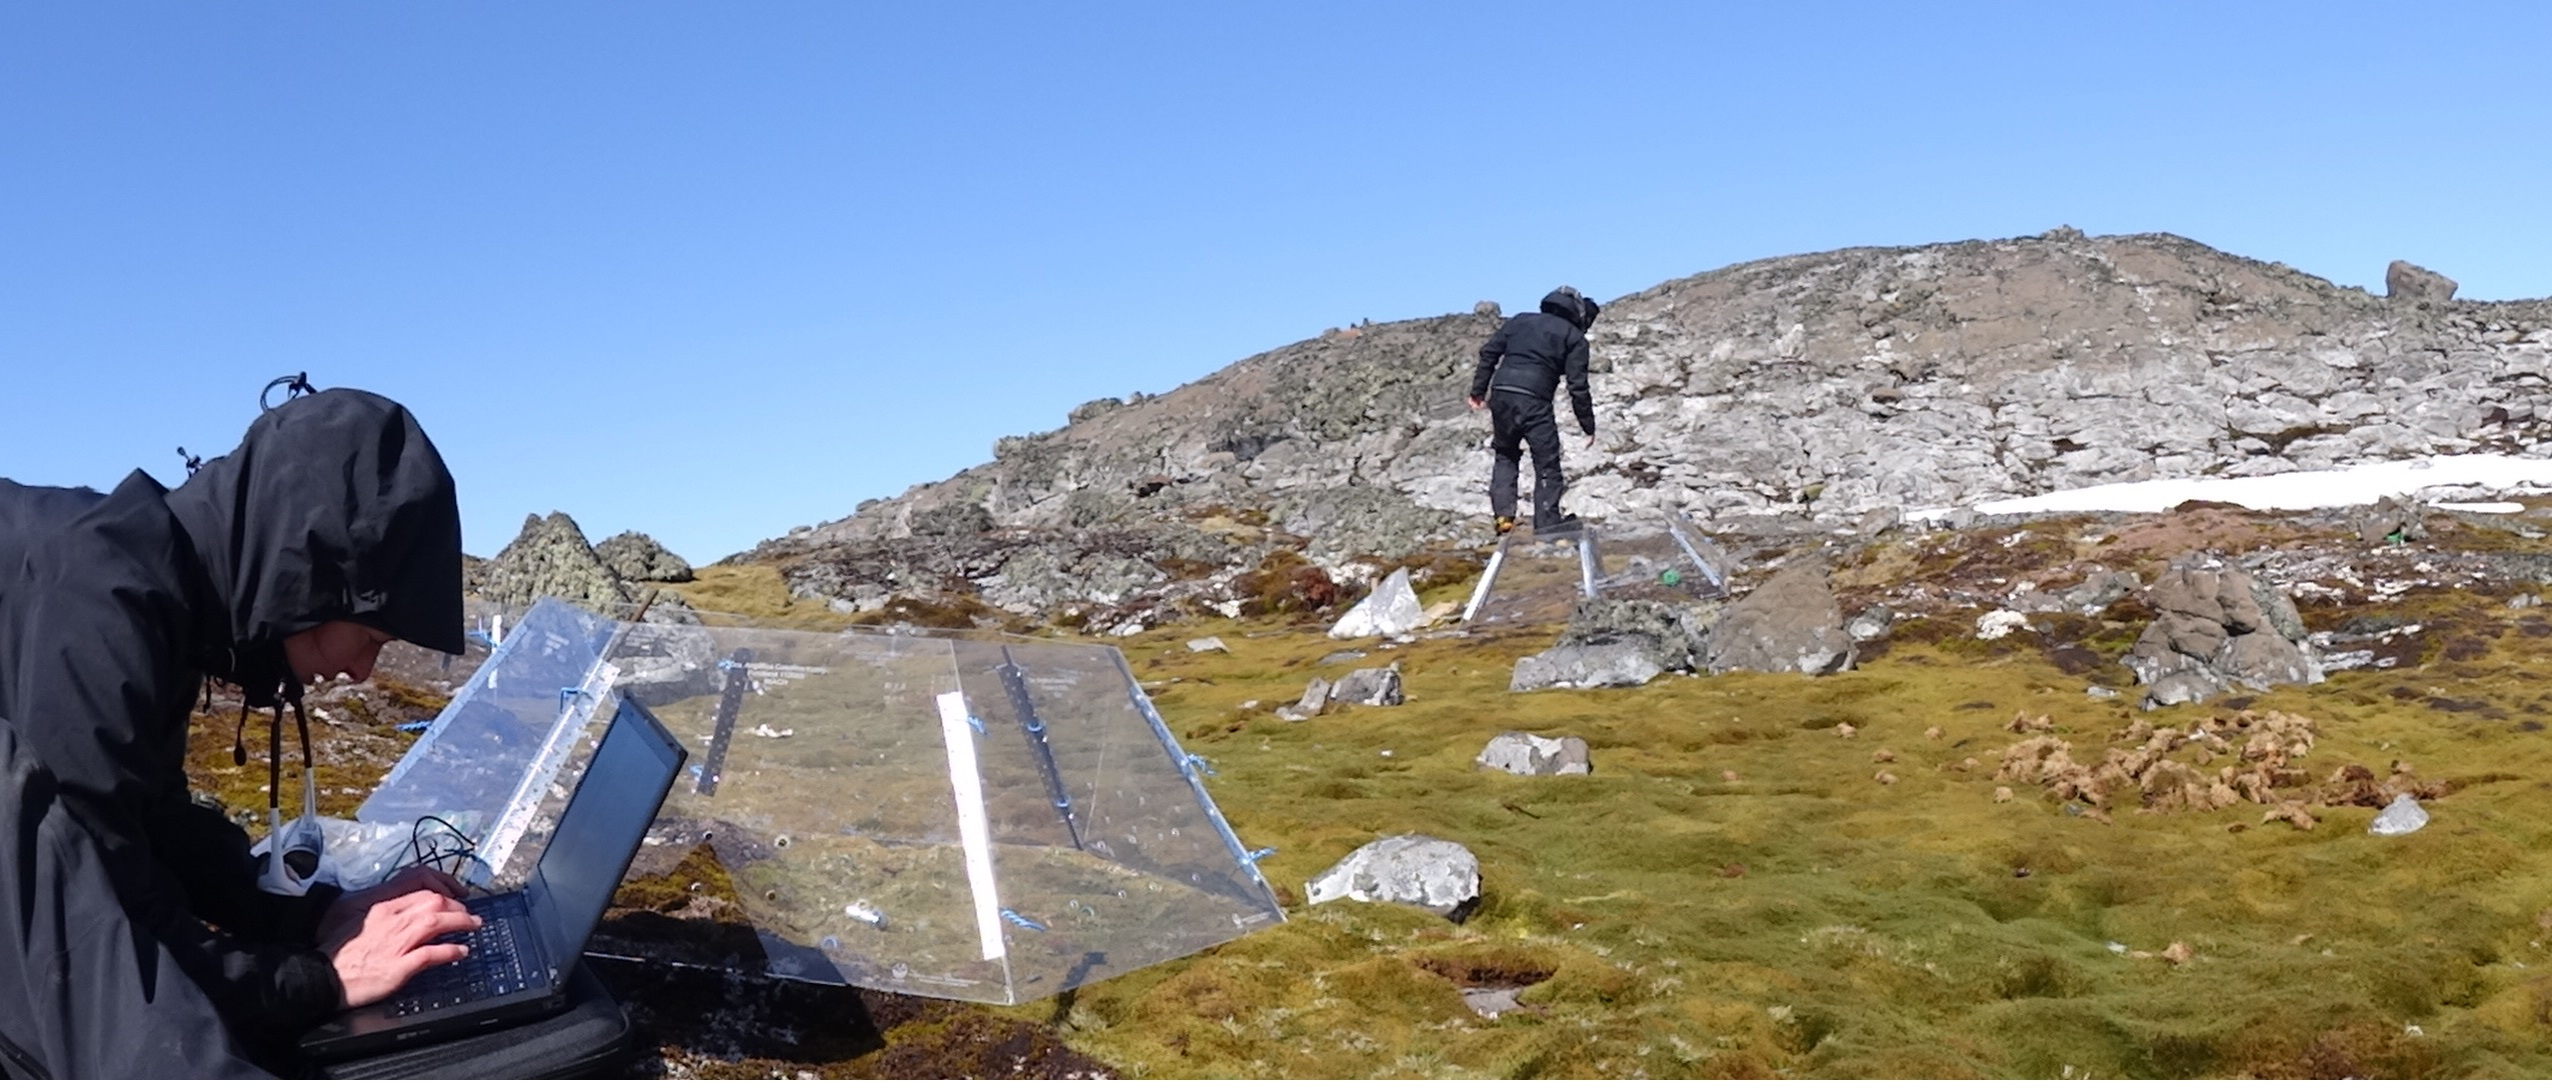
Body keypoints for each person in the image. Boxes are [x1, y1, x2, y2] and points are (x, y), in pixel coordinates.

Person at [0, 387, 484, 1076]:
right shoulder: (97, 607)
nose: (363, 673)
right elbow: (100, 934)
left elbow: (152, 824)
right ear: (311, 573)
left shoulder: (148, 587)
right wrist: (324, 980)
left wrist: (315, 919)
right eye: (370, 636)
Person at [1468, 285, 1601, 536]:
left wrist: (1478, 391)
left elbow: (1489, 354)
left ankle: (1504, 518)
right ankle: (1548, 522)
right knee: (1547, 462)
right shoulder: (1574, 338)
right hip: (1535, 399)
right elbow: (1578, 386)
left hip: (1502, 393)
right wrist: (1588, 426)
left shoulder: (1520, 320)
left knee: (1505, 453)